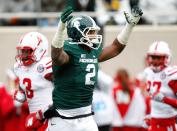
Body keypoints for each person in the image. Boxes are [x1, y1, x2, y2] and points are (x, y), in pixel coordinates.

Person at [48, 6, 143, 131]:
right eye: (91, 32)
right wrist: (60, 29)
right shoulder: (68, 48)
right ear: (77, 33)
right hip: (63, 118)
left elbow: (115, 48)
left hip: (86, 117)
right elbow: (57, 56)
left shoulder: (91, 50)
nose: (95, 35)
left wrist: (129, 27)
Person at [13, 32, 53, 131]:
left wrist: (41, 114)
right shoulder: (19, 67)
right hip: (34, 118)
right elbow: (25, 85)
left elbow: (64, 90)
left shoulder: (46, 65)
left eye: (27, 51)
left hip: (51, 117)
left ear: (39, 50)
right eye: (22, 51)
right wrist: (22, 92)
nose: (23, 55)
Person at [142, 41, 177, 131]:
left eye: (158, 58)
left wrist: (164, 99)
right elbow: (153, 100)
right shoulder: (148, 72)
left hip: (169, 123)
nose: (155, 61)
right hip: (155, 121)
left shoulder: (171, 75)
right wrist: (151, 116)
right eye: (153, 57)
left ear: (166, 58)